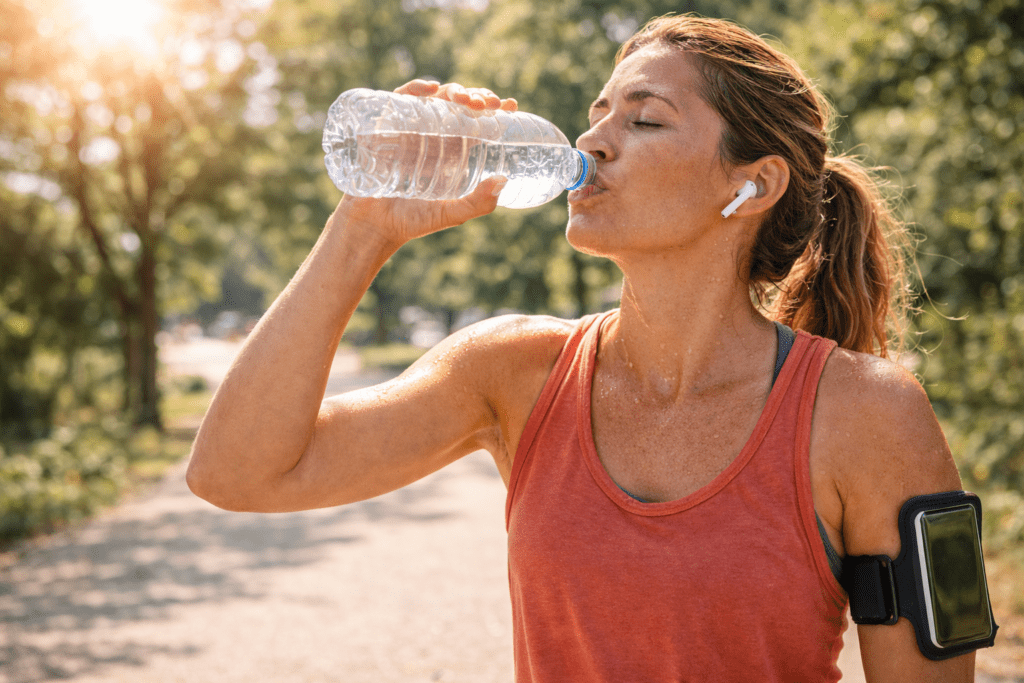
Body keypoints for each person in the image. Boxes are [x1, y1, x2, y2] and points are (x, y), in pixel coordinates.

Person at [186, 14, 974, 682]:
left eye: (645, 118)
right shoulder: (513, 373)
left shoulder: (869, 414)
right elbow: (237, 472)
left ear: (753, 185)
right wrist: (364, 226)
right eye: (599, 113)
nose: (593, 140)